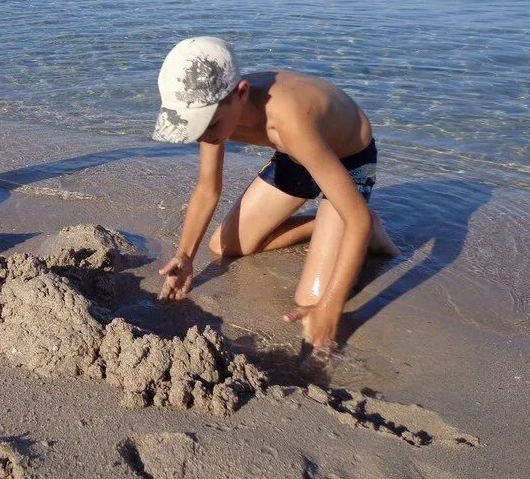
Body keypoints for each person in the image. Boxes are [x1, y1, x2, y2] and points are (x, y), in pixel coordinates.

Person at [152, 37, 397, 356]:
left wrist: (330, 310)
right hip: (295, 155)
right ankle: (333, 225)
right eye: (195, 128)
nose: (204, 136)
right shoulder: (211, 111)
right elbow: (207, 187)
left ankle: (361, 231)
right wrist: (185, 256)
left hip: (347, 159)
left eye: (209, 126)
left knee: (311, 301)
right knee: (222, 247)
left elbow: (356, 219)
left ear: (240, 93)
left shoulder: (287, 119)